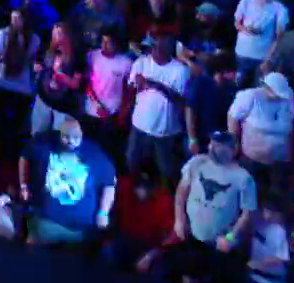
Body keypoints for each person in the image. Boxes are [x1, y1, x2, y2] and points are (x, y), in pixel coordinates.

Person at [155, 130, 257, 283]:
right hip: (194, 234)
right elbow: (181, 192)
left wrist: (231, 237)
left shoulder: (243, 178)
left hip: (221, 241)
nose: (215, 149)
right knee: (189, 280)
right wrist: (179, 220)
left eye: (221, 146)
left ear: (233, 150)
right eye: (213, 144)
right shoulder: (196, 163)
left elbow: (247, 213)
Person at [19, 113, 117, 247]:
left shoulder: (94, 153)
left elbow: (110, 182)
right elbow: (24, 156)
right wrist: (23, 185)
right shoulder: (44, 143)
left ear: (81, 135)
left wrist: (103, 212)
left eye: (75, 137)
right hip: (46, 222)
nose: (71, 141)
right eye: (66, 137)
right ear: (60, 134)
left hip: (82, 230)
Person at [125, 35, 191, 184]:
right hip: (139, 125)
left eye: (159, 47)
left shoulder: (181, 70)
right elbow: (130, 88)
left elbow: (182, 101)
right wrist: (135, 85)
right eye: (153, 47)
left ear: (168, 49)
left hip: (165, 130)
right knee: (131, 161)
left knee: (166, 169)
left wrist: (156, 85)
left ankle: (165, 194)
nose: (154, 51)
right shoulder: (141, 63)